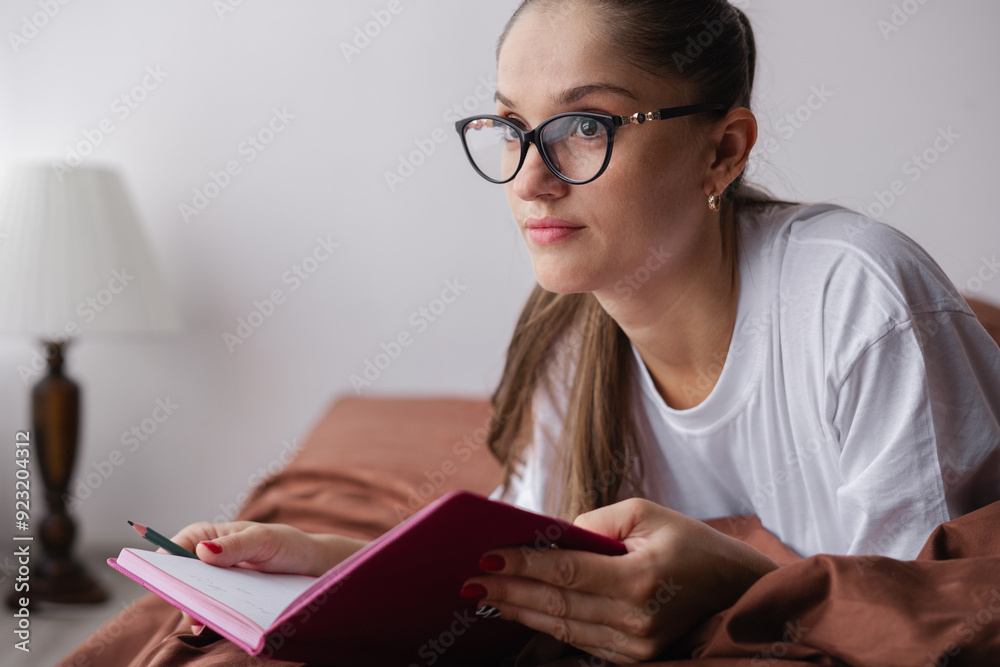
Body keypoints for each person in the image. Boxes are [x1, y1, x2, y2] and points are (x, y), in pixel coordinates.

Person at [170, 0, 1000, 662]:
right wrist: (319, 558)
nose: (530, 179)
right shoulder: (571, 335)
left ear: (723, 151)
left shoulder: (858, 297)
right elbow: (504, 566)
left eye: (584, 127)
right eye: (509, 127)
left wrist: (734, 579)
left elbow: (928, 618)